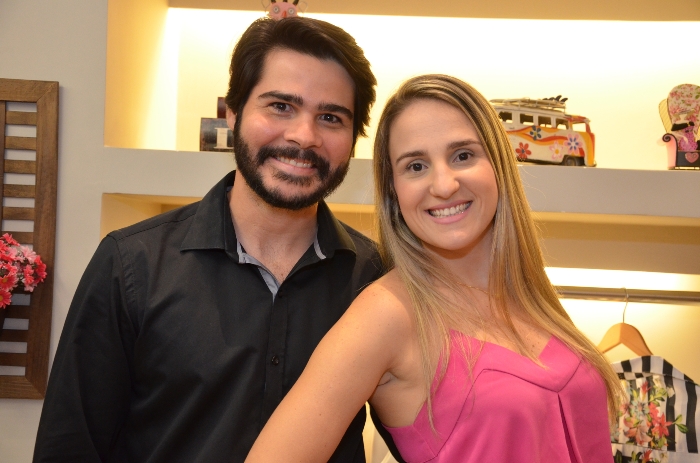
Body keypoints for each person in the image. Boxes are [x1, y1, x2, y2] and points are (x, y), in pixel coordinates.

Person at [33, 16, 391, 462]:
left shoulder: (377, 278)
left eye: (330, 117)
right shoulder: (132, 263)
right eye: (281, 106)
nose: (304, 136)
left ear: (354, 138)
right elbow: (70, 448)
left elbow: (433, 435)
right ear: (232, 113)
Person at [244, 75, 621, 463]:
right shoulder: (386, 314)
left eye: (463, 156)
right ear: (394, 191)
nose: (443, 185)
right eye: (416, 166)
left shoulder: (527, 295)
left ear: (498, 165)